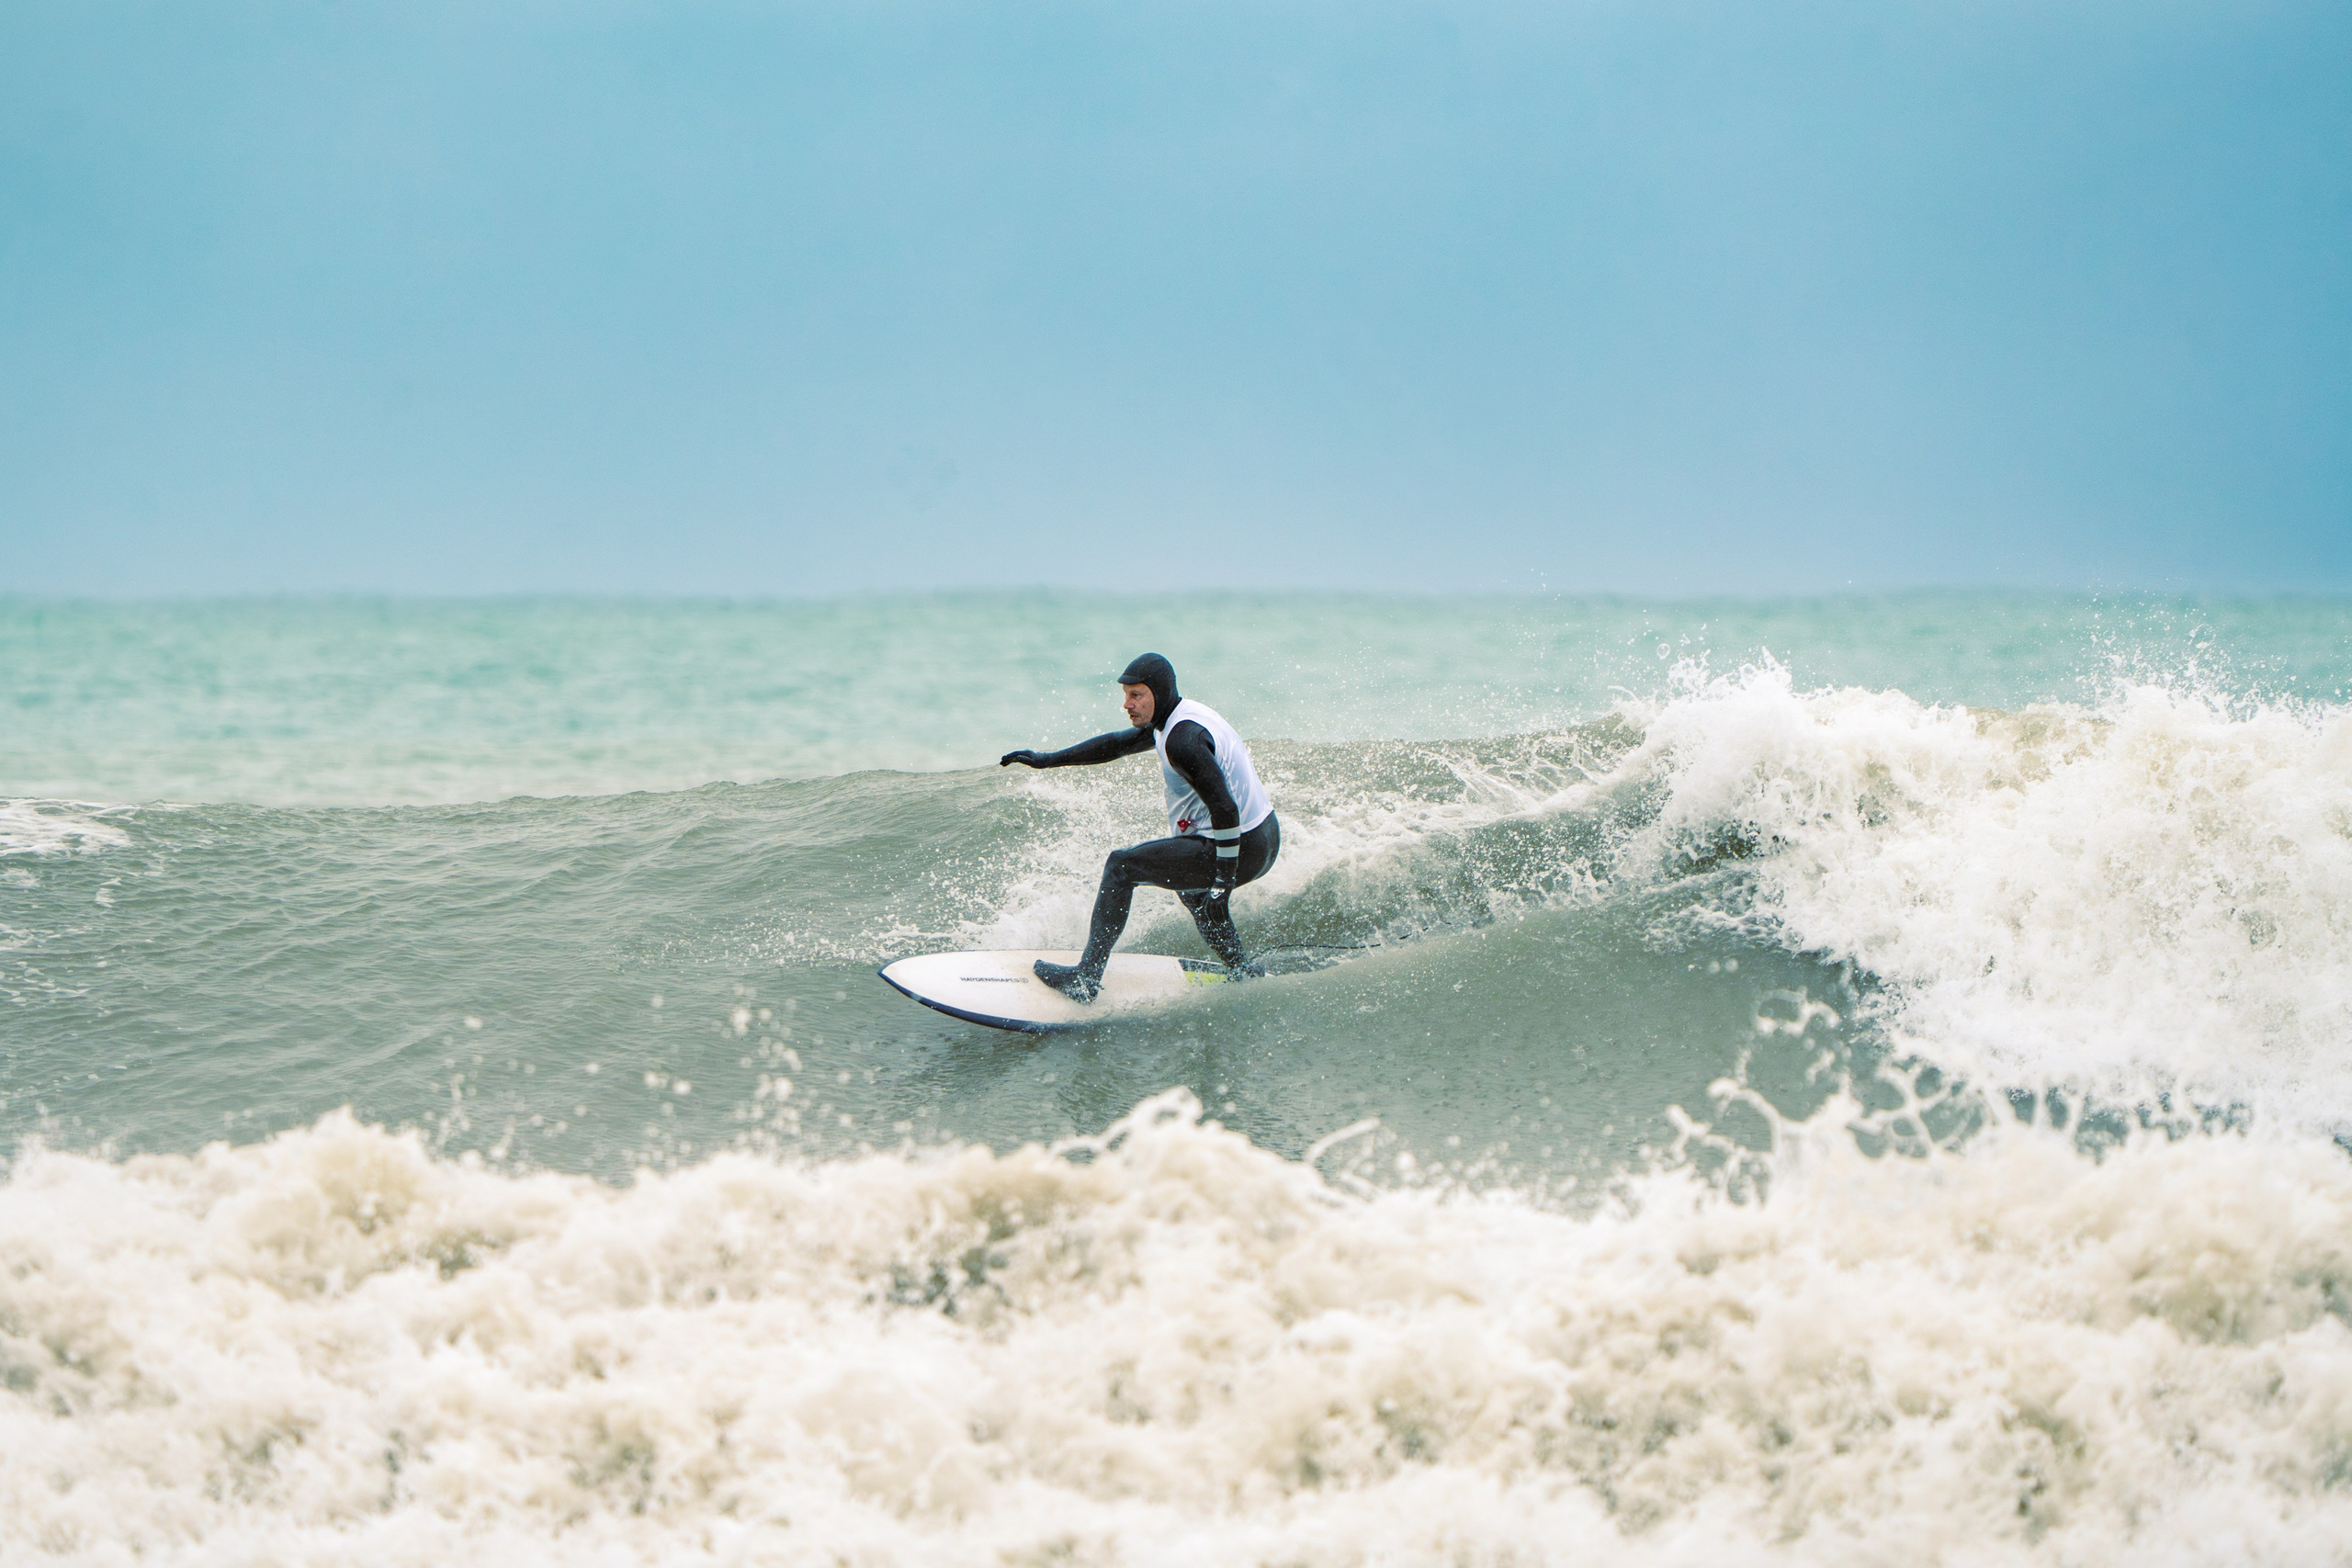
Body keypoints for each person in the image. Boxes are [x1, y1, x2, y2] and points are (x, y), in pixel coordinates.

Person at [1000, 652, 1279, 1002]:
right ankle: (1241, 968)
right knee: (1192, 891)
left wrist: (1223, 883)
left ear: (1158, 693)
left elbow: (1225, 808)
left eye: (1136, 695)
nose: (1126, 704)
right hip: (1265, 835)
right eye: (1125, 695)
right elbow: (1116, 745)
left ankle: (1085, 980)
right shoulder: (1175, 718)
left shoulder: (1183, 741)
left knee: (1121, 867)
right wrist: (1046, 760)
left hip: (1243, 845)